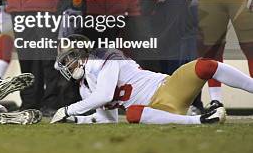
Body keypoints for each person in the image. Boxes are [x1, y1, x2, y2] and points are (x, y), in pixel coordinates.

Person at [49, 35, 253, 124]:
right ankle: (201, 120)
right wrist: (75, 118)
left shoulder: (106, 58)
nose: (68, 64)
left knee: (205, 65)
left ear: (82, 53)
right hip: (159, 110)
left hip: (169, 89)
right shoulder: (85, 87)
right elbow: (105, 121)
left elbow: (104, 95)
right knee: (133, 114)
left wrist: (69, 109)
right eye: (65, 61)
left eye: (69, 58)